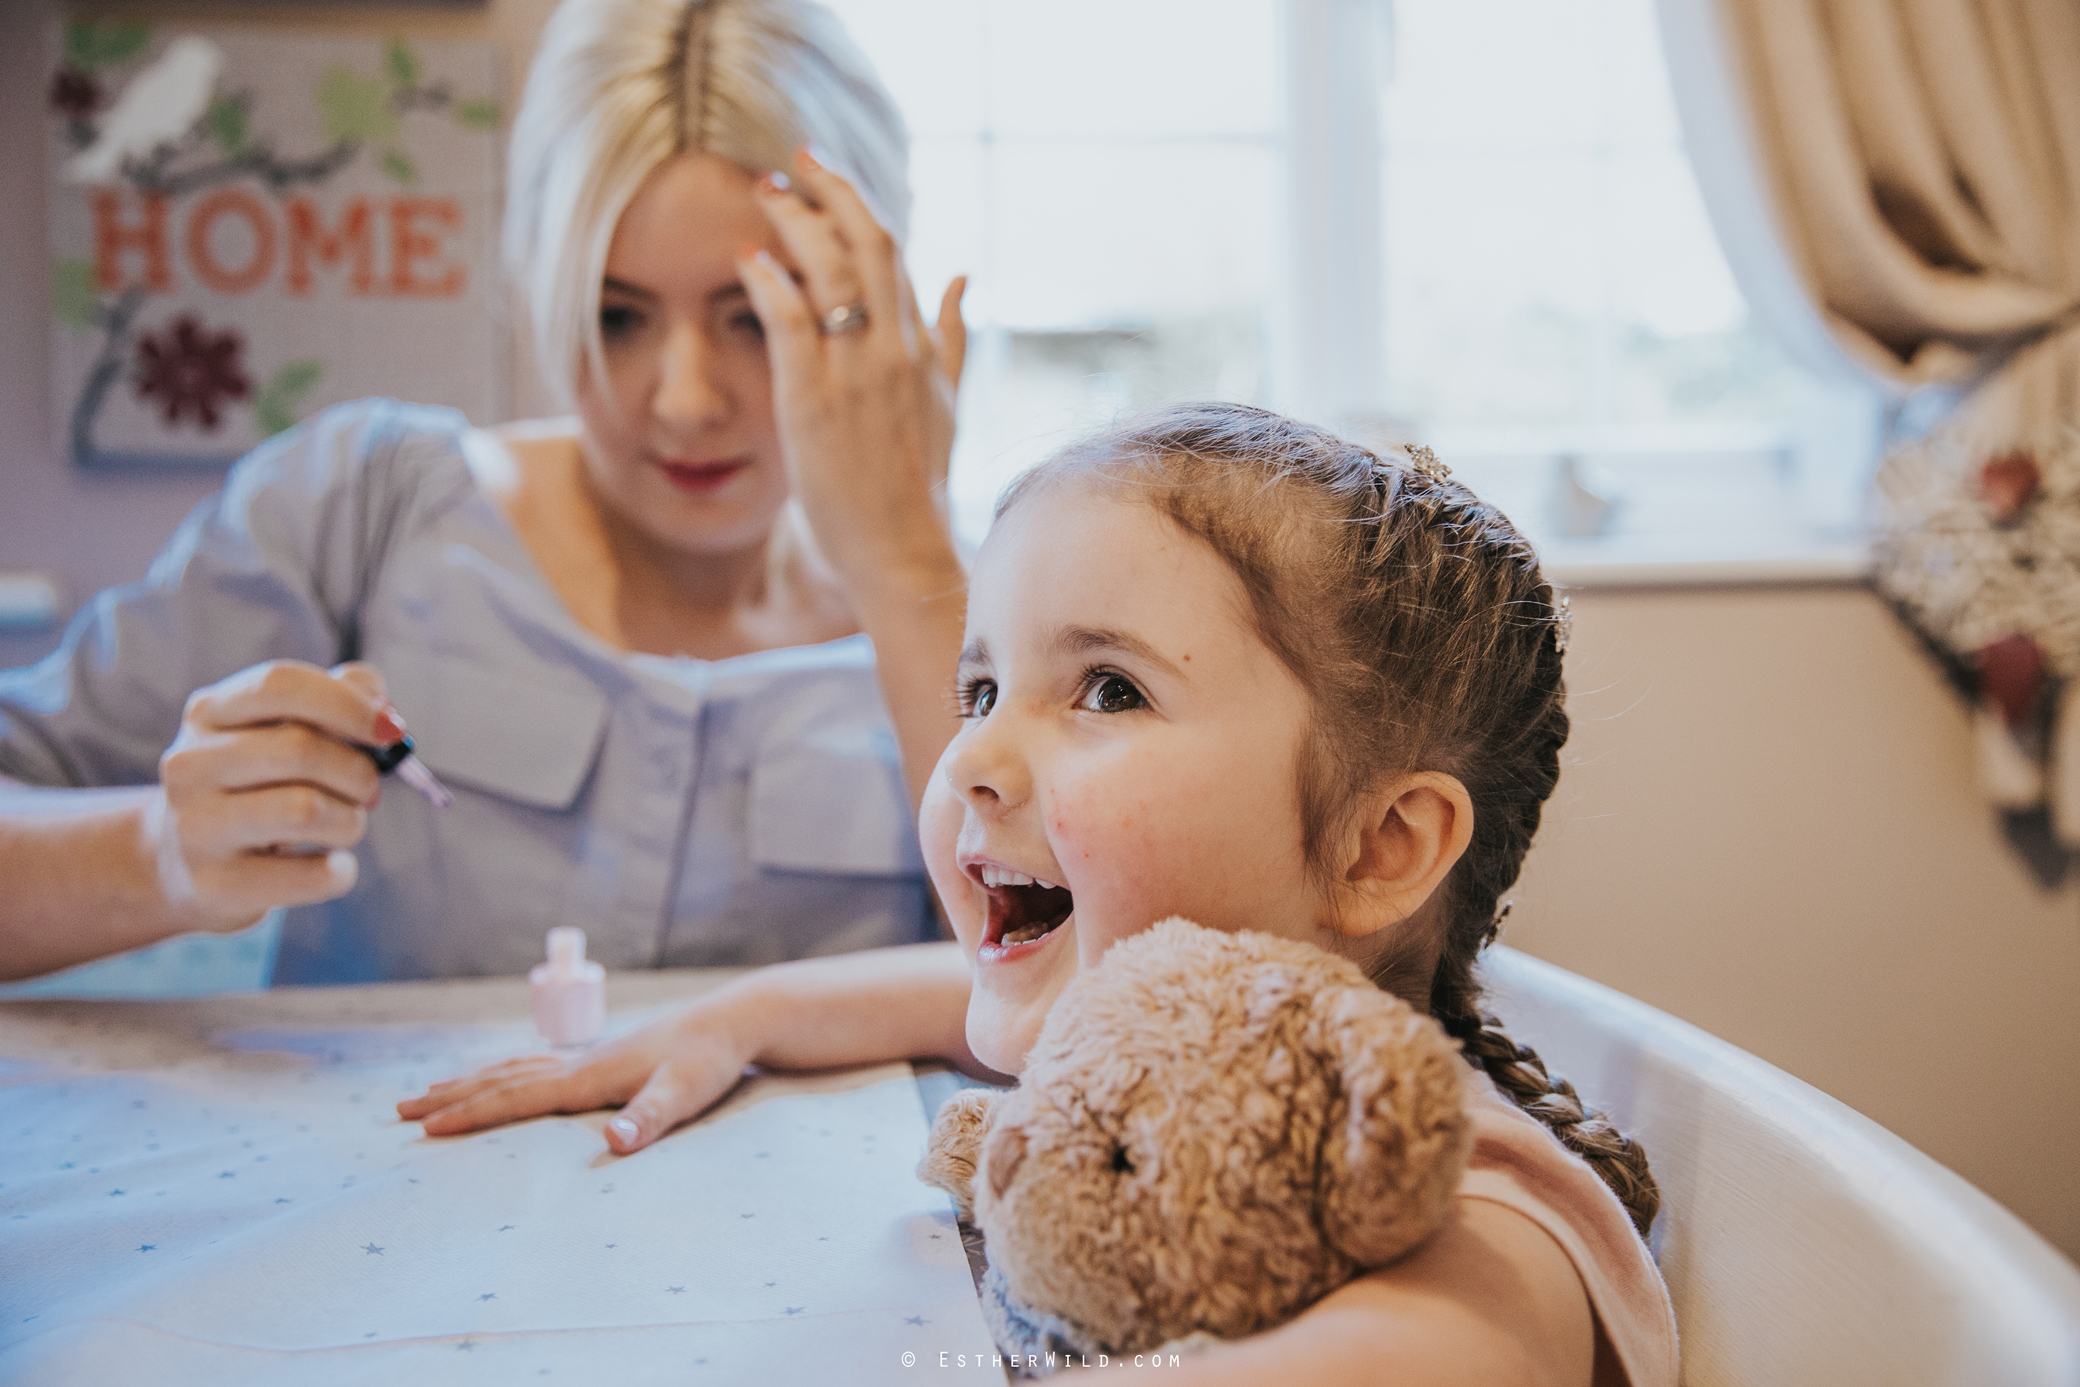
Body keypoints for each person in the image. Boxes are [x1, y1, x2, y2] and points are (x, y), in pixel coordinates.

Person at [399, 404, 1680, 1385]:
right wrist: (739, 1016)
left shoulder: (1460, 1199)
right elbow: (940, 996)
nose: (971, 759)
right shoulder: (1148, 1043)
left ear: (1379, 847)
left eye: (1107, 689)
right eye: (979, 689)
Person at [0, 0, 971, 984]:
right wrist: (158, 852)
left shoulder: (994, 609)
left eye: (755, 318)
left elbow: (1064, 1003)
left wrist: (903, 564)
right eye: (617, 316)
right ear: (539, 285)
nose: (685, 402)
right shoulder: (361, 512)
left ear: (871, 302)